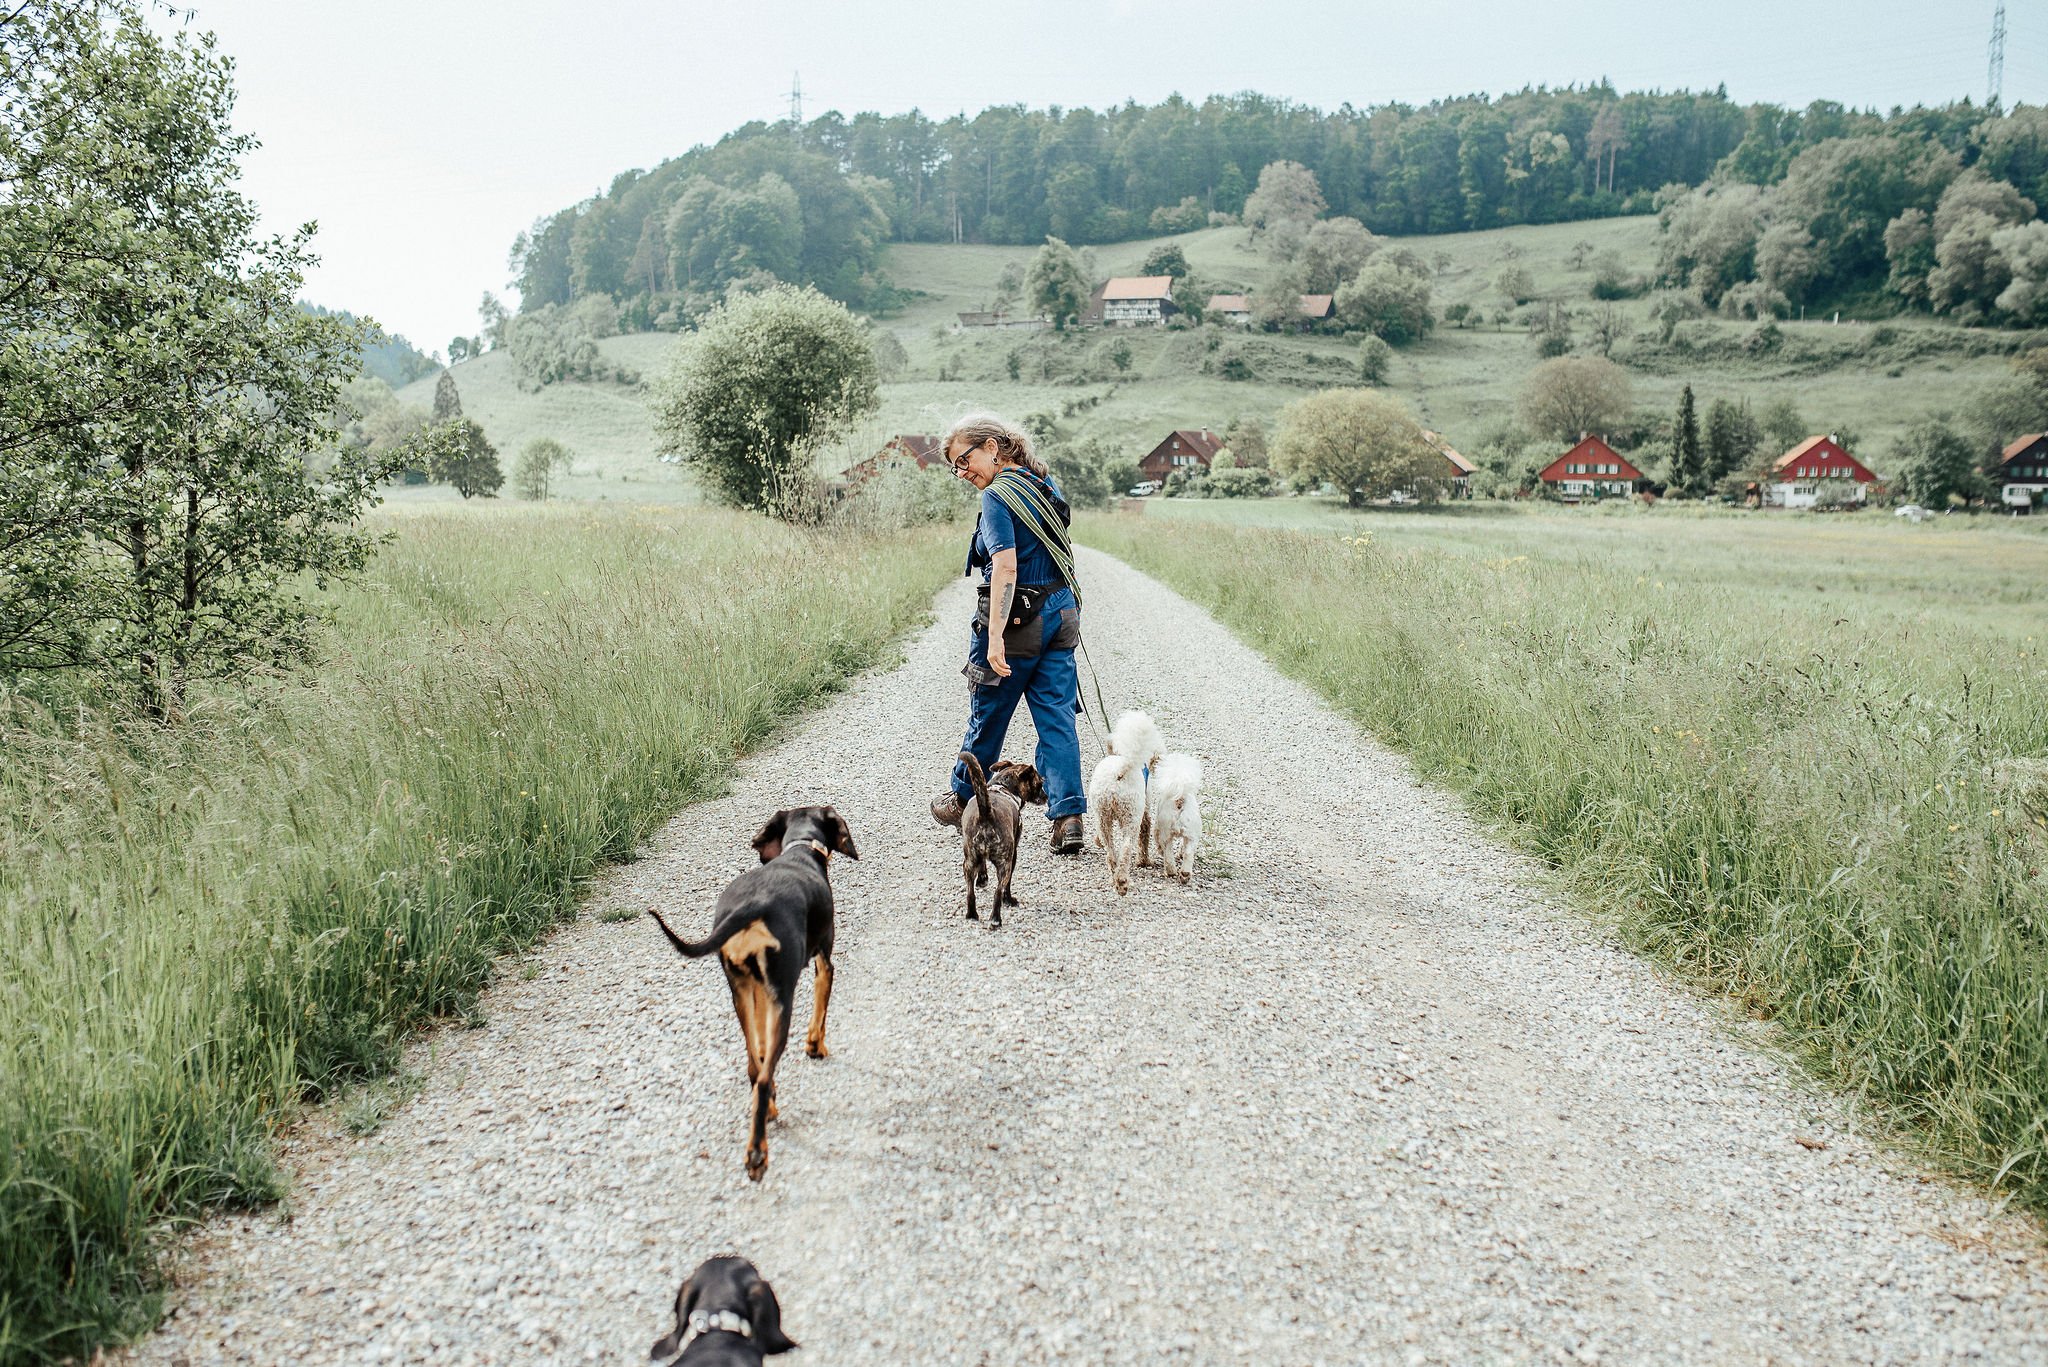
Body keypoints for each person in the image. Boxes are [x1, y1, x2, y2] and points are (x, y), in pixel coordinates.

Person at [927, 413, 1087, 853]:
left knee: (989, 714)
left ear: (992, 447)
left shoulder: (998, 495)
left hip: (1018, 623)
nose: (962, 472)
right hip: (1061, 614)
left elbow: (1006, 567)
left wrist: (995, 635)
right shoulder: (1045, 484)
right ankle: (1068, 817)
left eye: (965, 459)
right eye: (955, 467)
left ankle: (963, 797)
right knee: (1057, 718)